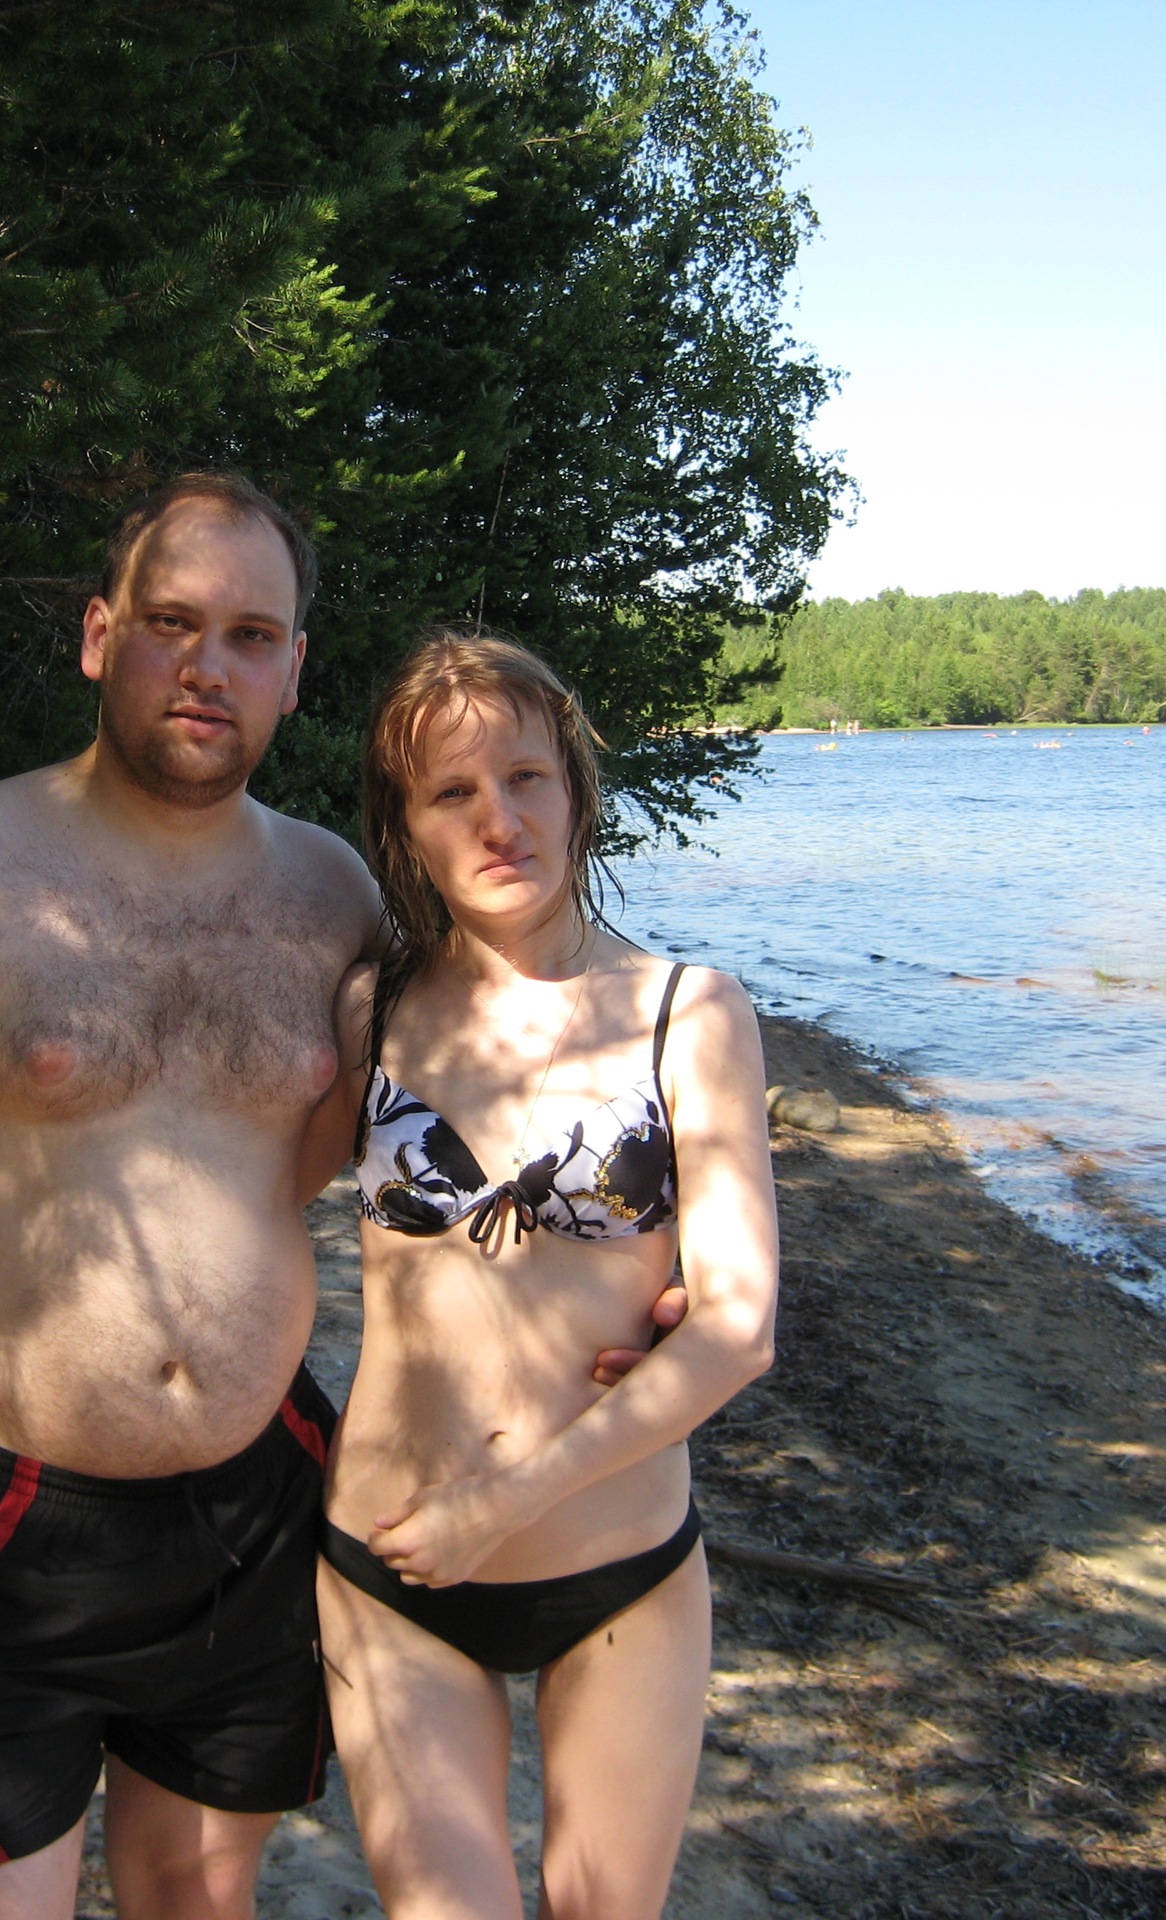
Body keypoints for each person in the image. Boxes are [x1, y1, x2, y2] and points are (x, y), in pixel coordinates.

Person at [0, 478, 665, 1920]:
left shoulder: (337, 894)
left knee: (198, 1900)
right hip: (1, 1512)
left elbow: (493, 1110)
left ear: (294, 669)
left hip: (256, 1514)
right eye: (172, 623)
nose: (209, 665)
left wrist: (640, 1278)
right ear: (99, 635)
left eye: (252, 635)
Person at [316, 630, 782, 1920]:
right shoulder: (370, 1012)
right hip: (392, 1563)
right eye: (452, 791)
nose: (498, 818)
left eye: (526, 776)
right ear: (407, 830)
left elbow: (738, 1329)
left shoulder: (692, 1013)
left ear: (576, 788)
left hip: (620, 1567)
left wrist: (508, 1501)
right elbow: (227, 1195)